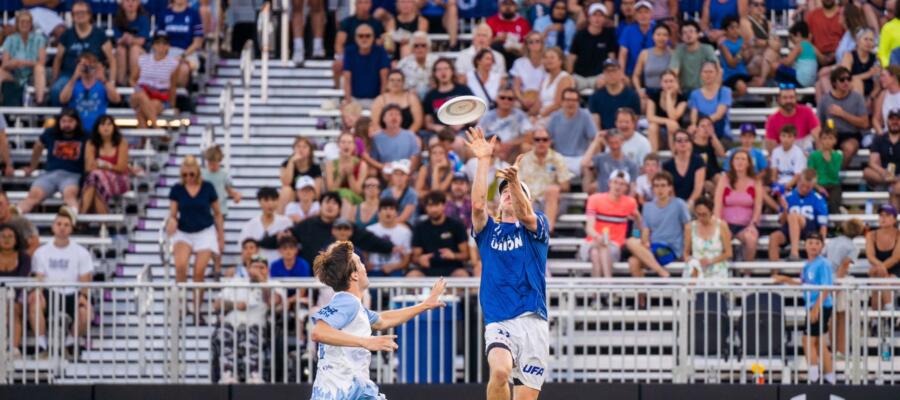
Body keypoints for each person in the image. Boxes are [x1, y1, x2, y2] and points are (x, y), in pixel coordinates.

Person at [466, 126, 550, 400]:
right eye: (503, 191)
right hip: (499, 319)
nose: (508, 194)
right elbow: (478, 206)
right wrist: (483, 160)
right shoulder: (488, 231)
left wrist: (515, 182)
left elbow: (527, 216)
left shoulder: (536, 227)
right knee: (500, 372)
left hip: (533, 321)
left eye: (514, 191)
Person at [309, 241, 447, 399]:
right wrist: (365, 342)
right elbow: (318, 332)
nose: (364, 266)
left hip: (356, 390)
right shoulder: (347, 302)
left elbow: (383, 319)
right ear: (354, 275)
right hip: (339, 394)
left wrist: (424, 305)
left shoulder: (355, 308)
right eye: (360, 262)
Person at [262, 192, 394, 267]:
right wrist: (260, 243)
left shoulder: (346, 226)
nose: (330, 206)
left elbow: (369, 239)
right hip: (311, 280)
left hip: (338, 279)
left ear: (339, 208)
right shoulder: (307, 225)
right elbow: (283, 238)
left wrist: (390, 247)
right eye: (327, 202)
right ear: (320, 205)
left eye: (334, 203)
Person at [166, 155, 225, 323]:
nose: (188, 178)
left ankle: (197, 309)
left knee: (199, 272)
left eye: (191, 175)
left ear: (197, 173)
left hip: (205, 231)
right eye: (185, 175)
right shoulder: (177, 189)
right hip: (184, 231)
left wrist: (221, 236)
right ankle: (181, 305)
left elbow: (218, 213)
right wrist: (171, 221)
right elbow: (173, 214)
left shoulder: (207, 187)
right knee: (181, 267)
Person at [28, 208, 94, 354]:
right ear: (53, 227)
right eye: (59, 224)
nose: (62, 228)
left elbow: (85, 280)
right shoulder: (41, 252)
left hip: (72, 294)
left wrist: (84, 297)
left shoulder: (81, 252)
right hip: (49, 293)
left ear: (72, 228)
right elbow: (38, 277)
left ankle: (70, 343)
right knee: (34, 302)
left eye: (66, 225)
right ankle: (42, 345)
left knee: (86, 311)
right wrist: (37, 292)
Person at [773, 233, 836, 384]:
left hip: (820, 306)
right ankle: (830, 377)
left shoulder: (824, 264)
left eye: (817, 243)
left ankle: (814, 377)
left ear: (822, 246)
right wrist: (786, 279)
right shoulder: (807, 265)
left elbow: (827, 287)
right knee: (819, 342)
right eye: (810, 242)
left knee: (807, 340)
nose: (813, 245)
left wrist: (816, 308)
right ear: (805, 245)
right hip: (813, 306)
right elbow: (804, 284)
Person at [212, 254, 283, 384]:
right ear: (248, 268)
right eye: (254, 267)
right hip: (231, 324)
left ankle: (254, 373)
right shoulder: (237, 282)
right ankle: (228, 373)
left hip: (257, 325)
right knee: (222, 334)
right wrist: (235, 305)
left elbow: (273, 302)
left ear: (267, 270)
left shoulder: (273, 284)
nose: (258, 270)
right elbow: (216, 304)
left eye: (261, 267)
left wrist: (262, 282)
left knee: (250, 335)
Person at [18, 108, 87, 214]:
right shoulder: (51, 133)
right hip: (50, 174)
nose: (67, 124)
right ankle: (16, 213)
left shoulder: (86, 136)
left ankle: (73, 217)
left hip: (72, 174)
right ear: (59, 122)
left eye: (70, 121)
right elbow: (38, 146)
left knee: (69, 195)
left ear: (77, 122)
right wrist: (33, 166)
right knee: (33, 196)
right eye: (64, 121)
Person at [626, 171, 691, 283]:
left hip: (670, 249)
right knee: (632, 259)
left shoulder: (679, 204)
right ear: (653, 189)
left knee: (633, 247)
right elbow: (645, 231)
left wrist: (686, 252)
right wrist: (645, 243)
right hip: (653, 247)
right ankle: (643, 299)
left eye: (663, 186)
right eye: (656, 186)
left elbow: (688, 228)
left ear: (670, 188)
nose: (660, 189)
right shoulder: (647, 207)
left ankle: (662, 274)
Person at [50, 1, 116, 106]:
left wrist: (112, 82)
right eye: (76, 13)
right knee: (56, 89)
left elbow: (112, 61)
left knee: (106, 92)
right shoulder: (67, 35)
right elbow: (58, 59)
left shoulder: (99, 34)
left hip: (93, 75)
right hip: (69, 75)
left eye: (82, 12)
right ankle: (60, 119)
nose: (79, 15)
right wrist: (54, 80)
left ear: (89, 15)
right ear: (72, 16)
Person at [582, 169, 639, 278]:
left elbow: (636, 226)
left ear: (626, 187)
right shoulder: (595, 199)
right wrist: (598, 237)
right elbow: (589, 227)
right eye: (615, 182)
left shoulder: (630, 202)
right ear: (609, 183)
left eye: (622, 184)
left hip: (614, 245)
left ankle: (596, 293)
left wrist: (637, 236)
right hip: (593, 241)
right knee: (600, 247)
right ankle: (609, 284)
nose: (618, 187)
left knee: (597, 253)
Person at [518, 128, 574, 233]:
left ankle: (547, 231)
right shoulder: (524, 160)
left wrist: (553, 189)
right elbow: (518, 185)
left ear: (550, 141)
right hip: (531, 201)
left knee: (552, 190)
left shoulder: (558, 158)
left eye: (544, 139)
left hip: (553, 202)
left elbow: (566, 186)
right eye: (537, 139)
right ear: (533, 142)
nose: (541, 142)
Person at [768, 169, 829, 261]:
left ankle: (794, 253)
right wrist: (785, 209)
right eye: (802, 185)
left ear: (812, 186)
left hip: (809, 230)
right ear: (798, 181)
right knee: (774, 237)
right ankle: (774, 273)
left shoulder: (818, 199)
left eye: (808, 187)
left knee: (793, 216)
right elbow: (781, 221)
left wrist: (822, 243)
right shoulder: (788, 196)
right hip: (789, 228)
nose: (804, 189)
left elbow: (823, 226)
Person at [824, 218, 864, 358]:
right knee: (842, 317)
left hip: (827, 279)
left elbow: (823, 259)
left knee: (832, 317)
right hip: (839, 281)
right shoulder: (853, 247)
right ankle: (840, 351)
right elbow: (845, 265)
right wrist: (837, 284)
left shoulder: (832, 242)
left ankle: (833, 350)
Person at [714, 149, 762, 262]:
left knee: (751, 239)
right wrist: (718, 223)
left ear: (749, 163)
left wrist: (753, 224)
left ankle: (746, 274)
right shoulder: (724, 178)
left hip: (745, 225)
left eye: (743, 159)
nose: (739, 162)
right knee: (718, 238)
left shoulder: (755, 181)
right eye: (737, 159)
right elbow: (718, 203)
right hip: (726, 224)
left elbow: (758, 206)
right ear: (732, 162)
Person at [407, 191, 469, 277]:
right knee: (412, 275)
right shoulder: (419, 227)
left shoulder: (456, 225)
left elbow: (466, 254)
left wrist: (453, 255)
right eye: (430, 206)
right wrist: (420, 259)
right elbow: (415, 256)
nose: (433, 209)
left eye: (436, 205)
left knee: (462, 274)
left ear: (444, 206)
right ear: (425, 208)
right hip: (427, 269)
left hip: (452, 268)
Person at [817, 67, 869, 168]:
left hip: (851, 134)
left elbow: (865, 123)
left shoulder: (857, 97)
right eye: (842, 80)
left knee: (849, 148)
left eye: (848, 79)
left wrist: (842, 114)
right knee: (821, 147)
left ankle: (835, 173)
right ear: (834, 83)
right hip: (830, 134)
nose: (846, 82)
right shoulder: (825, 100)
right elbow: (819, 124)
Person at [59, 53, 122, 133]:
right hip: (77, 131)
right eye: (84, 65)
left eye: (90, 65)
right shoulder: (73, 85)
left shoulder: (103, 85)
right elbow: (63, 99)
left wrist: (103, 79)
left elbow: (116, 99)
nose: (87, 68)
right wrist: (74, 77)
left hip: (97, 130)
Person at [79, 115, 129, 215]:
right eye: (102, 125)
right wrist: (107, 167)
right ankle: (105, 225)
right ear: (97, 128)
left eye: (109, 124)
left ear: (114, 127)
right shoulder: (91, 143)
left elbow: (122, 168)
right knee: (96, 181)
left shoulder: (121, 143)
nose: (106, 127)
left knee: (95, 177)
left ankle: (82, 215)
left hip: (119, 180)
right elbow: (89, 167)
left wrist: (104, 165)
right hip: (97, 180)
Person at [130, 34, 181, 129]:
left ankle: (144, 141)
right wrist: (137, 89)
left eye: (164, 43)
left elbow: (173, 86)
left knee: (141, 111)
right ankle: (157, 128)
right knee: (141, 95)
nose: (161, 46)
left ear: (168, 46)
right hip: (141, 93)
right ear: (153, 45)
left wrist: (173, 106)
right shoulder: (143, 59)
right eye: (158, 43)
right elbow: (132, 79)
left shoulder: (173, 63)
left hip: (159, 97)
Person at [546, 87, 597, 181]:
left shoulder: (585, 115)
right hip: (559, 158)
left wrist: (588, 157)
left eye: (574, 100)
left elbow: (595, 138)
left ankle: (589, 193)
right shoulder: (554, 117)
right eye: (568, 100)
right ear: (562, 102)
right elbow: (546, 139)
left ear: (578, 102)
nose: (571, 103)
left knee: (588, 166)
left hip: (580, 159)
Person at [332, 0, 385, 85]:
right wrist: (341, 58)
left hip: (371, 56)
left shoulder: (377, 23)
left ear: (371, 5)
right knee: (337, 64)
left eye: (366, 2)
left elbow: (381, 41)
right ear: (356, 5)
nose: (363, 5)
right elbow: (339, 43)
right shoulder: (347, 22)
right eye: (360, 2)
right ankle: (338, 91)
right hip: (351, 56)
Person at [1, 10, 47, 105]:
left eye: (27, 22)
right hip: (14, 74)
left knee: (39, 68)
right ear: (17, 24)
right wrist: (12, 63)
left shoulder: (39, 39)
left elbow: (42, 62)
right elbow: (4, 64)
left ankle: (40, 102)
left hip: (32, 75)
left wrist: (23, 62)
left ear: (31, 24)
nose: (25, 24)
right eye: (22, 22)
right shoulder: (10, 39)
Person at [568, 3, 618, 91]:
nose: (597, 19)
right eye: (594, 15)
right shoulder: (580, 35)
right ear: (589, 18)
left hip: (599, 76)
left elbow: (611, 57)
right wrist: (569, 75)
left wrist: (609, 74)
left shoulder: (609, 35)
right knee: (568, 83)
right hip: (579, 76)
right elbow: (572, 58)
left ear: (605, 18)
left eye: (600, 15)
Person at [238, 187, 294, 264]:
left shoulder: (286, 222)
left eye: (273, 200)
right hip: (258, 268)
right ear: (259, 202)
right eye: (266, 200)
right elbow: (243, 250)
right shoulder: (250, 225)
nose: (270, 204)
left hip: (279, 269)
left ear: (278, 201)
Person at [478, 85, 535, 160]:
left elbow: (529, 136)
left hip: (513, 151)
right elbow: (477, 136)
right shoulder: (488, 116)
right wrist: (494, 146)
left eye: (510, 99)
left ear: (514, 101)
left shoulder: (520, 116)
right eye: (502, 98)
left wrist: (510, 144)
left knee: (526, 147)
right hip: (490, 149)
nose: (506, 101)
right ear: (497, 99)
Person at [156, 0, 204, 87]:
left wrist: (182, 56)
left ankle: (179, 97)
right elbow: (160, 41)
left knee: (183, 69)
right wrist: (166, 56)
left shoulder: (194, 14)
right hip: (167, 52)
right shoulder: (164, 14)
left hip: (188, 53)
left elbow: (197, 43)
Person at [342, 23, 391, 106]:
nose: (364, 39)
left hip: (376, 99)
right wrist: (348, 102)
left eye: (368, 36)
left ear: (373, 37)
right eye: (360, 36)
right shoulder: (349, 51)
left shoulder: (380, 52)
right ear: (355, 38)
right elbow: (347, 79)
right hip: (355, 99)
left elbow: (384, 79)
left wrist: (381, 102)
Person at [0, 223, 30, 357]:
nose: (6, 239)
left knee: (12, 309)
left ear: (16, 239)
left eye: (10, 236)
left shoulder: (24, 258)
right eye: (3, 236)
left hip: (17, 295)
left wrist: (8, 299)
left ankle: (14, 349)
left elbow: (21, 280)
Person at [683, 197, 732, 279]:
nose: (701, 217)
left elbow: (728, 253)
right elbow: (686, 253)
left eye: (704, 214)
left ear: (711, 212)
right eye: (698, 214)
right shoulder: (690, 227)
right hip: (696, 270)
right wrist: (693, 262)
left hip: (717, 269)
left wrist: (711, 261)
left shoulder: (721, 225)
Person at [422, 58, 474, 134]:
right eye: (439, 69)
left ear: (452, 71)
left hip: (463, 132)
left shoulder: (463, 90)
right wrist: (436, 127)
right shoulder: (430, 95)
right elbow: (428, 123)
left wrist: (464, 123)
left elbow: (475, 114)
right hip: (440, 134)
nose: (443, 72)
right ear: (435, 73)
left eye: (446, 68)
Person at [588, 59, 641, 131]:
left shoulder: (632, 96)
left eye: (614, 70)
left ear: (620, 72)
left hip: (626, 135)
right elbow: (596, 124)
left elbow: (634, 122)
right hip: (605, 136)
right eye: (607, 71)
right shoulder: (595, 97)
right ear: (603, 73)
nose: (611, 74)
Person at [765, 86, 820, 153]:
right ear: (779, 100)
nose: (788, 101)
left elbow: (818, 136)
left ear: (796, 98)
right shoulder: (772, 119)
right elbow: (771, 150)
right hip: (784, 155)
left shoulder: (807, 112)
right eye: (785, 98)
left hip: (805, 154)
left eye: (791, 97)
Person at [365, 198, 412, 277]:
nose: (388, 211)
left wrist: (393, 266)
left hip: (396, 270)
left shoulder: (405, 232)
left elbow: (406, 259)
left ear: (397, 213)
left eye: (391, 209)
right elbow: (364, 252)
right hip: (374, 270)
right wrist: (366, 264)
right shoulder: (369, 230)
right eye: (385, 209)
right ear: (378, 213)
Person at [669, 20, 717, 94]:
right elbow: (674, 71)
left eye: (691, 31)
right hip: (684, 90)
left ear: (698, 34)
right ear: (681, 37)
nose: (688, 35)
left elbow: (717, 69)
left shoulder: (707, 49)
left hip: (704, 90)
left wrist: (714, 90)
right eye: (684, 33)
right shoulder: (679, 50)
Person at [370, 105, 422, 172]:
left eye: (397, 114)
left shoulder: (410, 136)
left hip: (405, 172)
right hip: (385, 172)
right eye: (391, 114)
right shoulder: (376, 138)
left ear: (401, 118)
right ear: (383, 118)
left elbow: (414, 158)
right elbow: (374, 160)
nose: (394, 117)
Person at [867, 205, 900, 309]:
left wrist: (880, 267)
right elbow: (870, 256)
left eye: (887, 215)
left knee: (883, 282)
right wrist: (881, 268)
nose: (883, 218)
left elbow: (896, 258)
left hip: (896, 269)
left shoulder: (898, 235)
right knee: (877, 282)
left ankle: (889, 315)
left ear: (894, 219)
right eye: (881, 215)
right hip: (879, 270)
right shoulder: (871, 235)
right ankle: (876, 321)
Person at [688, 61, 732, 140]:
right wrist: (694, 125)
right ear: (701, 74)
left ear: (716, 74)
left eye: (711, 72)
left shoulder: (725, 91)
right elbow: (694, 115)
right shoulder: (695, 94)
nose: (708, 75)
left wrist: (703, 125)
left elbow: (719, 115)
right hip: (701, 132)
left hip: (721, 133)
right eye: (705, 72)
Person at [646, 70, 687, 151]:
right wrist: (667, 121)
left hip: (675, 132)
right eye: (665, 81)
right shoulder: (654, 95)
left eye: (671, 81)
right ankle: (653, 156)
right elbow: (649, 117)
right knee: (652, 127)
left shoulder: (682, 98)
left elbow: (673, 117)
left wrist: (668, 95)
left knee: (672, 125)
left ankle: (674, 155)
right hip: (659, 133)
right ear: (661, 83)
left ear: (676, 82)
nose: (668, 84)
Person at [112, 0, 151, 86]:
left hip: (141, 52)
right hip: (124, 50)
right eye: (127, 1)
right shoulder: (117, 19)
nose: (130, 3)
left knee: (134, 49)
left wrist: (131, 39)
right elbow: (117, 40)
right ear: (122, 4)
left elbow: (142, 41)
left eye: (133, 1)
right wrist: (123, 39)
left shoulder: (143, 19)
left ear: (138, 3)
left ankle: (133, 82)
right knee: (120, 50)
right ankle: (121, 83)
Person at [663, 130, 706, 207]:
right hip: (675, 203)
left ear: (690, 143)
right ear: (674, 144)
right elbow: (670, 190)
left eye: (686, 140)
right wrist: (678, 206)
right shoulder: (667, 165)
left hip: (695, 203)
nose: (683, 143)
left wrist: (689, 204)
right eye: (679, 140)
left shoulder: (698, 161)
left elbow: (698, 188)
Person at [278, 137, 323, 212]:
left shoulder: (315, 167)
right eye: (298, 146)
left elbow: (316, 194)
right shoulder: (286, 164)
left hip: (309, 199)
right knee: (286, 190)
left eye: (304, 147)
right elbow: (285, 183)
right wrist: (291, 162)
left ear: (310, 150)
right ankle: (281, 221)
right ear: (294, 149)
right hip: (291, 198)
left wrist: (303, 194)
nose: (301, 149)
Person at [588, 130, 640, 194]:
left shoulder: (631, 164)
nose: (614, 146)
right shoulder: (600, 158)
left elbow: (632, 188)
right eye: (611, 143)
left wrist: (628, 202)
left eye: (617, 142)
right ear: (607, 143)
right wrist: (595, 141)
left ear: (622, 142)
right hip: (603, 198)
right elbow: (584, 163)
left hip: (622, 200)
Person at [325, 132, 368, 205]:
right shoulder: (330, 164)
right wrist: (340, 176)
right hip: (335, 199)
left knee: (346, 194)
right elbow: (331, 191)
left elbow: (357, 192)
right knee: (343, 193)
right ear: (338, 145)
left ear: (354, 146)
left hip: (355, 199)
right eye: (343, 142)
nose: (346, 145)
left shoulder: (362, 165)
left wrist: (350, 175)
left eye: (349, 142)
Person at [486, 0, 531, 70]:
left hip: (517, 56)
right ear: (499, 6)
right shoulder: (490, 21)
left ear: (516, 6)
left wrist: (516, 48)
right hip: (495, 57)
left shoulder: (523, 23)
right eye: (505, 4)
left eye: (511, 4)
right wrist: (496, 39)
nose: (508, 7)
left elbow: (528, 44)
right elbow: (483, 43)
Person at [633, 24, 673, 100]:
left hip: (666, 91)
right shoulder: (644, 53)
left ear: (669, 37)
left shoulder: (672, 54)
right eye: (658, 34)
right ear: (653, 36)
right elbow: (636, 76)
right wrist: (639, 90)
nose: (661, 38)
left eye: (665, 35)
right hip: (648, 91)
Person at [807, 128, 843, 213]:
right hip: (817, 185)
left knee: (833, 203)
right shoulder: (814, 156)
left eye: (830, 138)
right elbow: (810, 174)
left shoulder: (838, 156)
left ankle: (836, 225)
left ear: (835, 141)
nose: (827, 141)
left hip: (833, 185)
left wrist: (829, 161)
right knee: (815, 202)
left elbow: (834, 174)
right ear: (820, 140)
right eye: (824, 138)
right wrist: (818, 187)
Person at [511, 31, 547, 114]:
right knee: (514, 106)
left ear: (542, 44)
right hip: (523, 98)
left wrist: (536, 101)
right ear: (527, 45)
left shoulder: (547, 63)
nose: (534, 44)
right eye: (531, 42)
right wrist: (522, 100)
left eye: (537, 41)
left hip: (542, 99)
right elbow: (516, 87)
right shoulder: (519, 62)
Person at [618, 1, 655, 77]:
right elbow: (622, 54)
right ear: (635, 15)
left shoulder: (657, 29)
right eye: (639, 12)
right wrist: (621, 74)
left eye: (646, 12)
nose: (643, 15)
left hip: (653, 72)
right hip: (631, 72)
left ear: (651, 14)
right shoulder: (628, 30)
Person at [839, 27, 879, 98]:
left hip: (870, 92)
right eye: (865, 39)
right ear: (857, 41)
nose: (868, 42)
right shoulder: (848, 56)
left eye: (871, 40)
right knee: (857, 82)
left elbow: (877, 83)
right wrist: (868, 74)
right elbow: (844, 79)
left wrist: (872, 97)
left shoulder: (875, 58)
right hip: (850, 90)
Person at [865, 108, 900, 187]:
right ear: (887, 121)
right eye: (892, 119)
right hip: (883, 175)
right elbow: (872, 162)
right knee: (867, 172)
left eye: (898, 119)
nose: (895, 122)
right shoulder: (879, 139)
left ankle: (895, 182)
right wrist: (885, 172)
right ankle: (893, 181)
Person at [718, 15, 752, 98]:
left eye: (737, 27)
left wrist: (747, 53)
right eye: (732, 28)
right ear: (726, 30)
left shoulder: (742, 41)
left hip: (743, 73)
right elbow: (731, 64)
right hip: (731, 75)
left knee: (761, 82)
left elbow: (747, 60)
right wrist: (741, 51)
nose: (735, 30)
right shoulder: (724, 45)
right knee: (742, 88)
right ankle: (726, 99)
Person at [396, 32, 437, 98]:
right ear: (412, 48)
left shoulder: (436, 62)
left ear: (428, 47)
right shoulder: (403, 64)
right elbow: (398, 85)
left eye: (423, 45)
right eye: (416, 46)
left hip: (433, 97)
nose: (420, 48)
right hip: (409, 98)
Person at [537, 47, 574, 119]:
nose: (548, 60)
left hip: (557, 117)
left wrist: (540, 116)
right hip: (543, 115)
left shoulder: (564, 78)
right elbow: (538, 104)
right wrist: (528, 115)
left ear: (560, 61)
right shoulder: (545, 78)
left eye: (552, 57)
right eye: (546, 58)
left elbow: (558, 104)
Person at [805, 0, 845, 65]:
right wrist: (819, 56)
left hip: (841, 59)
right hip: (817, 58)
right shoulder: (812, 16)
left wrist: (837, 54)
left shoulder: (843, 15)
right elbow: (806, 40)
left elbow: (850, 40)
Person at [781, 21, 819, 89]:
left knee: (774, 66)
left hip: (801, 80)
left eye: (792, 38)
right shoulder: (812, 47)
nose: (792, 42)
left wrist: (779, 60)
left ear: (798, 34)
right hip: (812, 82)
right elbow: (824, 60)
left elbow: (787, 62)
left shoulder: (798, 46)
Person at [0, 191, 39, 255]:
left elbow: (34, 245)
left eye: (0, 204)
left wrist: (21, 260)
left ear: (8, 204)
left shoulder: (22, 222)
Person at [771, 125, 808, 190]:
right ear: (779, 137)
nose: (786, 139)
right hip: (779, 184)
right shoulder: (775, 152)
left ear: (794, 138)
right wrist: (775, 185)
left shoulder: (798, 153)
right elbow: (774, 173)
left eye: (789, 136)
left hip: (794, 185)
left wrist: (784, 187)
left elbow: (797, 176)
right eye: (783, 136)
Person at [874, 66, 900, 135]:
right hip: (887, 134)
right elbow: (875, 120)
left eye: (883, 76)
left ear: (893, 77)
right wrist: (881, 134)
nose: (880, 79)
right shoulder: (883, 94)